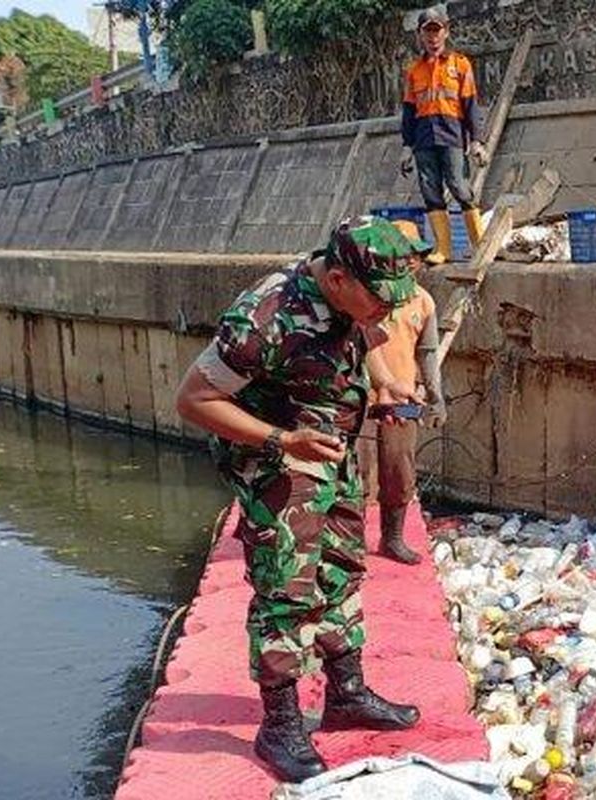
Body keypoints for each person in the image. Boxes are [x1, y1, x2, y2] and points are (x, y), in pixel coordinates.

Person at [174, 217, 430, 783]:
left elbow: (369, 341)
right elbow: (193, 399)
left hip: (331, 453)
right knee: (285, 589)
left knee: (342, 567)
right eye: (377, 301)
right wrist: (281, 439)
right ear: (337, 279)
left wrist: (385, 387)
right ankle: (281, 723)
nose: (386, 313)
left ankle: (346, 692)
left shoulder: (359, 302)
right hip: (278, 466)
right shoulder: (263, 319)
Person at [357, 220, 446, 565]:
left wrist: (435, 396)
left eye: (417, 255)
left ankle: (391, 538)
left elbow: (428, 352)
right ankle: (352, 542)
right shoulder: (363, 294)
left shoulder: (423, 301)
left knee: (400, 468)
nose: (411, 262)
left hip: (404, 398)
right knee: (359, 470)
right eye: (404, 255)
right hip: (362, 397)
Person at [400, 7, 487, 264]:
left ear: (446, 32)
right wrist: (407, 146)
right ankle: (444, 250)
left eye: (437, 30)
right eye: (427, 31)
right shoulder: (413, 71)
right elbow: (408, 112)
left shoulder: (460, 65)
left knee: (460, 188)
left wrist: (477, 140)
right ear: (420, 35)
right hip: (424, 139)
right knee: (431, 192)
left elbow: (471, 105)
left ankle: (480, 246)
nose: (432, 37)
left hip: (452, 136)